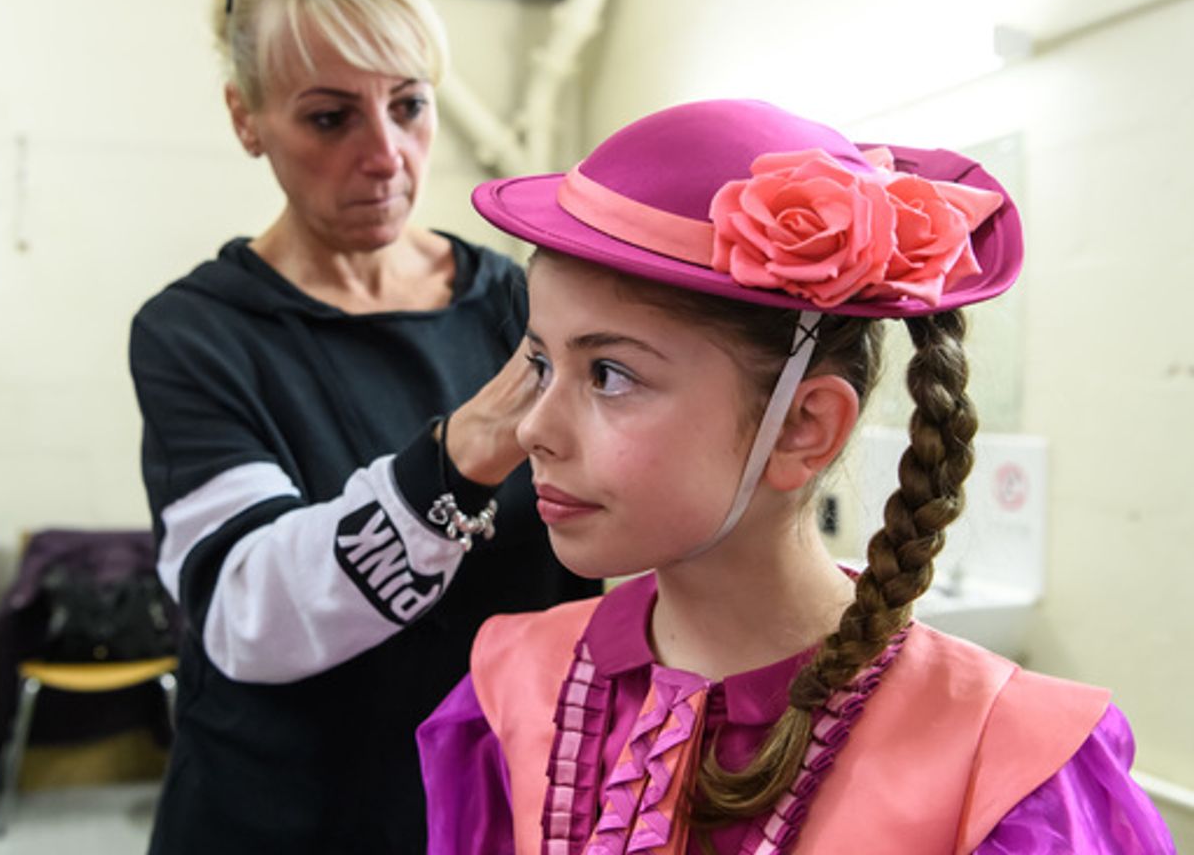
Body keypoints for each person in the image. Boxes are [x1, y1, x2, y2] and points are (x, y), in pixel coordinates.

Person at [417, 99, 1175, 853]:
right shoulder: (515, 688)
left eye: (611, 374)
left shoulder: (1002, 762)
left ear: (802, 427)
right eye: (542, 364)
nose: (532, 430)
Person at [127, 0, 598, 852]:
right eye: (330, 117)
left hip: (491, 802)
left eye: (411, 106)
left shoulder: (516, 304)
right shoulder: (199, 333)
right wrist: (460, 454)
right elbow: (245, 606)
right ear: (246, 119)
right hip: (283, 813)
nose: (385, 155)